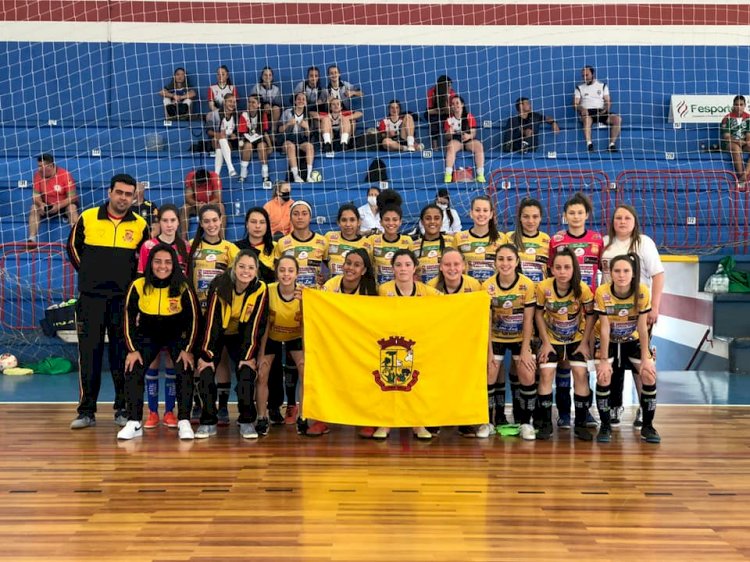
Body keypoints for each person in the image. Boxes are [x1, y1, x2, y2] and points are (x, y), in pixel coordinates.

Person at [67, 173, 150, 429]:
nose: (124, 198)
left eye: (129, 194)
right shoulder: (88, 217)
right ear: (110, 192)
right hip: (90, 299)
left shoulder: (139, 224)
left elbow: (143, 261)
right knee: (88, 354)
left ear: (134, 196)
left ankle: (122, 409)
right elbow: (72, 248)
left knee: (121, 354)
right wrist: (89, 274)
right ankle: (86, 411)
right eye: (120, 192)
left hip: (122, 302)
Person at [117, 244, 200, 440]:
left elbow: (194, 319)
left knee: (185, 367)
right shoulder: (137, 285)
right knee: (132, 367)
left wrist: (188, 349)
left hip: (175, 336)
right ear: (150, 263)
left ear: (174, 265)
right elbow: (127, 317)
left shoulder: (183, 286)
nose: (162, 266)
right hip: (147, 336)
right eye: (157, 262)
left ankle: (184, 420)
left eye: (168, 262)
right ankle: (134, 422)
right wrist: (132, 349)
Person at [601, 204, 664, 427]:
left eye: (627, 217)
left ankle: (641, 407)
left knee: (640, 360)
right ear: (612, 221)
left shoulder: (644, 242)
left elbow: (658, 275)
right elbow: (603, 279)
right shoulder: (605, 244)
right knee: (615, 362)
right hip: (611, 313)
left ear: (634, 221)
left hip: (639, 313)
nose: (622, 221)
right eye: (618, 217)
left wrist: (654, 307)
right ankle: (615, 406)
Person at [195, 250, 269, 439]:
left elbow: (255, 326)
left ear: (256, 270)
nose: (246, 271)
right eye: (242, 266)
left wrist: (248, 357)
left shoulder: (260, 289)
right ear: (234, 268)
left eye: (251, 267)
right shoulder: (220, 285)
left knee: (246, 371)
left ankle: (246, 421)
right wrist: (207, 356)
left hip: (242, 336)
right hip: (217, 333)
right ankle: (208, 421)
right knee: (205, 370)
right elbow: (212, 322)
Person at [548, 192, 602, 429]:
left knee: (583, 360)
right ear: (564, 216)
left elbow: (605, 271)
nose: (576, 216)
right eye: (572, 212)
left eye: (580, 212)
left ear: (587, 215)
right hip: (561, 307)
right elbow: (551, 270)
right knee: (563, 363)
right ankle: (563, 413)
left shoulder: (597, 240)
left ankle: (585, 411)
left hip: (587, 307)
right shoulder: (556, 240)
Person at [594, 254, 660, 443]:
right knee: (604, 376)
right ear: (610, 273)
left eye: (626, 271)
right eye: (617, 271)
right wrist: (604, 361)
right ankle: (605, 426)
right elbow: (605, 328)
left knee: (648, 374)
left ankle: (648, 426)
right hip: (609, 340)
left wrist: (646, 356)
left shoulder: (641, 292)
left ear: (633, 274)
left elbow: (642, 327)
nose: (621, 275)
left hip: (633, 339)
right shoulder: (602, 292)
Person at [375, 249, 441, 440]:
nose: (403, 269)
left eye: (407, 264)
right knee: (389, 383)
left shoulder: (427, 291)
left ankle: (418, 423)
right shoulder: (384, 290)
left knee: (416, 384)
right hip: (391, 344)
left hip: (418, 344)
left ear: (415, 268)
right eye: (398, 265)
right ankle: (385, 423)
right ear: (392, 268)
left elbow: (450, 305)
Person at [137, 204, 191, 429]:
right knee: (151, 362)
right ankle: (152, 412)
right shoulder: (149, 246)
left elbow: (186, 282)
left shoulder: (185, 247)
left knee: (171, 360)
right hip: (151, 312)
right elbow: (141, 278)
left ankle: (169, 412)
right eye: (165, 221)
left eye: (173, 221)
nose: (169, 225)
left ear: (179, 223)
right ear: (158, 222)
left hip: (175, 313)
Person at [187, 204, 240, 424]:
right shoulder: (191, 247)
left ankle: (223, 406)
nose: (211, 225)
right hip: (197, 314)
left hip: (221, 315)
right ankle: (199, 404)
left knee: (222, 360)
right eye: (206, 221)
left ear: (221, 221)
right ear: (201, 223)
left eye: (214, 220)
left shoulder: (230, 249)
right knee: (201, 359)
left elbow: (239, 281)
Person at [535, 247, 595, 441]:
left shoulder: (582, 289)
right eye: (558, 267)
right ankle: (545, 423)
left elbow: (591, 315)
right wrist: (545, 342)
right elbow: (537, 314)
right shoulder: (544, 287)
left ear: (573, 269)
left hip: (576, 339)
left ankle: (581, 424)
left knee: (579, 373)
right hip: (551, 339)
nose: (562, 271)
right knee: (545, 373)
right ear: (552, 269)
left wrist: (585, 342)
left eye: (567, 267)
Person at [482, 244, 537, 441]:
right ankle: (487, 422)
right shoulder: (487, 286)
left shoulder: (527, 285)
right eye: (501, 259)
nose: (505, 263)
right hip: (495, 337)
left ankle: (525, 422)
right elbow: (486, 322)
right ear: (495, 262)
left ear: (517, 262)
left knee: (528, 373)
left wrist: (525, 350)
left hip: (519, 337)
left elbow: (529, 320)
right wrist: (488, 353)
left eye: (509, 259)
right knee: (489, 372)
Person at [274, 200, 329, 288]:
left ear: (310, 217)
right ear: (290, 218)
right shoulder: (282, 243)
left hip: (314, 294)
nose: (300, 217)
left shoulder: (322, 241)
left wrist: (325, 277)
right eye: (296, 214)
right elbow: (276, 274)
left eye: (304, 214)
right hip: (290, 294)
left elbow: (327, 268)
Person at [452, 195, 507, 283]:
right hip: (468, 292)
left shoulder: (502, 238)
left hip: (492, 290)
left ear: (491, 214)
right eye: (477, 210)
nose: (481, 214)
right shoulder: (459, 237)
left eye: (485, 210)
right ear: (471, 213)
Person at [28, 153, 79, 245]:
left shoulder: (65, 175)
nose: (39, 169)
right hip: (46, 205)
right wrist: (40, 204)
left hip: (63, 205)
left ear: (50, 166)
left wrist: (58, 206)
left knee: (72, 208)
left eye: (41, 166)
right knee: (34, 207)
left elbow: (73, 197)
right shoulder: (37, 175)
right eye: (38, 166)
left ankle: (77, 239)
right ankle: (32, 240)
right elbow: (35, 196)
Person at [573, 65, 622, 152]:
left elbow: (608, 101)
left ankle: (611, 145)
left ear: (593, 74)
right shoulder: (579, 88)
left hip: (600, 111)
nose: (585, 78)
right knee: (587, 120)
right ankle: (589, 144)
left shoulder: (602, 86)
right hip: (587, 112)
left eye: (587, 75)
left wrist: (606, 109)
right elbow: (575, 104)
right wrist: (582, 109)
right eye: (583, 76)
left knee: (617, 119)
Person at [370, 195, 413, 285]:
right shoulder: (372, 241)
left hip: (401, 292)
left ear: (400, 222)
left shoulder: (408, 241)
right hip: (379, 293)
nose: (391, 223)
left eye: (395, 220)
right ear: (380, 222)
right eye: (386, 220)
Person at [443, 95, 486, 183]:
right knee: (450, 147)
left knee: (479, 146)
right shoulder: (449, 120)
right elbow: (446, 137)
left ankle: (480, 175)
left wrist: (468, 136)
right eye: (453, 104)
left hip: (468, 140)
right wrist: (449, 133)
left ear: (462, 104)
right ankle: (448, 175)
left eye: (457, 103)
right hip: (456, 140)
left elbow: (473, 133)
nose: (455, 105)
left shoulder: (469, 117)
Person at [507, 198, 550, 284]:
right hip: (518, 292)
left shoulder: (547, 239)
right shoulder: (509, 238)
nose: (530, 221)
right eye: (526, 216)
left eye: (535, 216)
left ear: (540, 218)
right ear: (520, 218)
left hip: (540, 293)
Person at [325, 204, 373, 277]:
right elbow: (321, 263)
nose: (348, 224)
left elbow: (368, 271)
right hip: (332, 287)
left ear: (359, 222)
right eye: (344, 220)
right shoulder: (329, 238)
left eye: (352, 220)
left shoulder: (367, 244)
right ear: (338, 222)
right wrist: (323, 275)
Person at [279, 92, 316, 183]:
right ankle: (296, 176)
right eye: (299, 99)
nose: (301, 101)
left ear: (306, 102)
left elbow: (308, 135)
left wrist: (306, 127)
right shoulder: (287, 112)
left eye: (303, 99)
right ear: (295, 101)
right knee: (291, 146)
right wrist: (288, 124)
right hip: (287, 140)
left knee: (309, 146)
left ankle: (308, 176)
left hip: (300, 140)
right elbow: (279, 130)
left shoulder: (307, 115)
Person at [235, 207, 277, 284]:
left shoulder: (276, 247)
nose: (258, 226)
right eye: (253, 222)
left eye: (262, 222)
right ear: (247, 224)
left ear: (267, 225)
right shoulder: (235, 247)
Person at [180, 168, 225, 238]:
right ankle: (183, 239)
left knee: (221, 206)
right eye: (197, 185)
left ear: (207, 182)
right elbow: (188, 198)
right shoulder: (190, 177)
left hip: (212, 206)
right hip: (196, 206)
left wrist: (206, 205)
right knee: (185, 208)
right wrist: (197, 204)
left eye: (200, 185)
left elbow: (218, 198)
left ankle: (222, 238)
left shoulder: (215, 178)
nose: (198, 186)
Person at [413, 204, 452, 284]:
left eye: (437, 218)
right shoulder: (413, 245)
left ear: (442, 221)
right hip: (422, 293)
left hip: (445, 292)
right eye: (428, 218)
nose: (432, 221)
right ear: (422, 222)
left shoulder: (452, 242)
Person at [238, 94, 273, 182]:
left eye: (253, 102)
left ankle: (265, 174)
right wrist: (240, 144)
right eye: (249, 102)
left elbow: (265, 132)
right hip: (248, 139)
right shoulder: (244, 115)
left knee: (261, 147)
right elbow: (242, 133)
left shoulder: (263, 114)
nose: (251, 104)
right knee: (247, 146)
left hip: (260, 138)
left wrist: (270, 146)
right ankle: (243, 174)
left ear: (259, 105)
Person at [207, 92, 241, 177]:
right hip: (216, 139)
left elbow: (240, 131)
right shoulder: (214, 114)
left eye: (234, 102)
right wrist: (219, 135)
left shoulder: (237, 115)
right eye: (230, 101)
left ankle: (216, 175)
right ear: (224, 102)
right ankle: (230, 168)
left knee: (220, 144)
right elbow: (208, 131)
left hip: (230, 142)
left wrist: (235, 135)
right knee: (219, 139)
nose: (232, 104)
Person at [720, 95, 750, 183]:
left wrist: (748, 141)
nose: (739, 107)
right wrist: (738, 141)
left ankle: (745, 174)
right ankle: (741, 176)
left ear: (745, 105)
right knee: (735, 148)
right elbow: (727, 137)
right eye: (736, 105)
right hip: (730, 144)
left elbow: (748, 134)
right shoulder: (727, 118)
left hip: (744, 143)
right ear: (733, 105)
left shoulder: (748, 118)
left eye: (741, 104)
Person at [425, 75, 455, 150]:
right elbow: (429, 111)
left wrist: (446, 103)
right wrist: (441, 111)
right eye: (448, 86)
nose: (450, 88)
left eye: (450, 86)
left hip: (446, 113)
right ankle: (435, 147)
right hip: (434, 113)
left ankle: (449, 146)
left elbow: (452, 110)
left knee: (449, 120)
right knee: (434, 120)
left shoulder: (452, 93)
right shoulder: (431, 92)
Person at [250, 66, 284, 132]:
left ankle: (273, 131)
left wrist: (269, 106)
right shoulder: (256, 87)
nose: (267, 77)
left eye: (270, 75)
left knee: (276, 109)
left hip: (271, 110)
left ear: (272, 77)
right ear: (262, 76)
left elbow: (279, 103)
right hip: (260, 108)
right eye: (265, 75)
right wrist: (263, 105)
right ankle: (257, 129)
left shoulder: (276, 89)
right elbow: (252, 100)